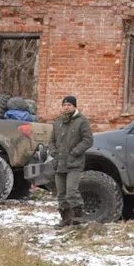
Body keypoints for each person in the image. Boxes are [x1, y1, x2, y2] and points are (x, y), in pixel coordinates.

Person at [49, 95, 93, 227]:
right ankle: (65, 219)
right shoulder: (58, 123)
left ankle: (78, 219)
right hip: (59, 164)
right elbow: (51, 141)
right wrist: (54, 153)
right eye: (64, 105)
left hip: (74, 164)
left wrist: (75, 153)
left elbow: (88, 140)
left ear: (74, 106)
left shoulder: (82, 121)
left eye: (69, 105)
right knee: (61, 194)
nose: (66, 107)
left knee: (71, 192)